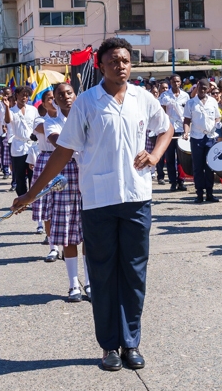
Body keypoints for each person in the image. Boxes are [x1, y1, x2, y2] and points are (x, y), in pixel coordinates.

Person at [13, 38, 171, 371]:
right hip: (98, 201)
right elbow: (62, 152)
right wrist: (30, 194)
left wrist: (155, 155)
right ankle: (109, 346)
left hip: (137, 200)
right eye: (114, 60)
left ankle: (131, 343)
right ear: (100, 65)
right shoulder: (87, 103)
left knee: (134, 274)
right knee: (102, 275)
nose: (121, 66)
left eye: (126, 60)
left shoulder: (143, 99)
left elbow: (166, 129)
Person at [46, 82, 89, 300]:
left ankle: (89, 282)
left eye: (69, 93)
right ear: (54, 99)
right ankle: (74, 284)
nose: (66, 97)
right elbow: (60, 144)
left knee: (90, 234)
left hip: (90, 174)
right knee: (69, 233)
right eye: (60, 95)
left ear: (76, 94)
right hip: (67, 175)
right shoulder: (51, 121)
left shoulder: (88, 113)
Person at [33, 89, 63, 248]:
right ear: (43, 104)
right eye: (50, 99)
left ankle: (66, 244)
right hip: (47, 158)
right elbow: (45, 130)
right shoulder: (40, 120)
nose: (54, 101)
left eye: (55, 98)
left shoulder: (66, 117)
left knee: (65, 203)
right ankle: (53, 246)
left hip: (66, 159)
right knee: (47, 203)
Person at [186, 78, 222, 204]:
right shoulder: (191, 103)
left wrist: (218, 124)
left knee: (209, 167)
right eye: (200, 87)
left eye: (205, 88)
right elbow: (187, 120)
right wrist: (186, 131)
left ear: (208, 89)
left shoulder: (213, 101)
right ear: (197, 87)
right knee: (198, 167)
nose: (202, 90)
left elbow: (217, 117)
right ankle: (199, 194)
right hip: (196, 137)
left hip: (210, 137)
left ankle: (210, 193)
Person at [4, 86, 39, 198]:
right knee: (19, 175)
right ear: (16, 96)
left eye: (26, 95)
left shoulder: (33, 109)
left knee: (33, 174)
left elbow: (37, 123)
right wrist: (7, 108)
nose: (24, 97)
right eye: (22, 95)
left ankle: (32, 198)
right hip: (18, 146)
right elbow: (8, 120)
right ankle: (22, 198)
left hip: (32, 146)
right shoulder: (12, 111)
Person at [158, 75, 189, 191]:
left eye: (177, 81)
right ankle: (172, 181)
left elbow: (187, 113)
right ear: (170, 83)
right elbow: (162, 111)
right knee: (170, 157)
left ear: (180, 82)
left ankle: (181, 180)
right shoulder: (165, 95)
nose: (176, 83)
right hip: (169, 128)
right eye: (173, 81)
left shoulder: (185, 96)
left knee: (182, 158)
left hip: (181, 128)